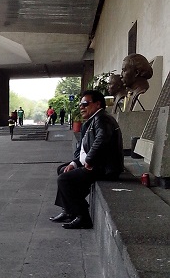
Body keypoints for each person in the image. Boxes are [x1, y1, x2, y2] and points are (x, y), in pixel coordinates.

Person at [50, 89, 123, 229]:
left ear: (97, 104)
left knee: (64, 179)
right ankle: (69, 211)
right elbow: (82, 148)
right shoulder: (91, 121)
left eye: (85, 103)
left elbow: (102, 139)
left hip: (104, 168)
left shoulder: (102, 118)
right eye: (80, 105)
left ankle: (83, 216)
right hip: (96, 164)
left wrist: (89, 160)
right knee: (62, 170)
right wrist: (74, 163)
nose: (81, 107)